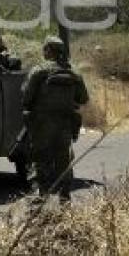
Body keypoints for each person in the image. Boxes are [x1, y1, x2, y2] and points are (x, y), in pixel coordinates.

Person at [21, 35, 89, 201]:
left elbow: (26, 98)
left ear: (49, 51)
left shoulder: (39, 71)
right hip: (65, 124)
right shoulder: (73, 73)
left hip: (41, 124)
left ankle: (40, 194)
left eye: (45, 49)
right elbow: (83, 99)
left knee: (39, 158)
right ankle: (64, 195)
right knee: (63, 159)